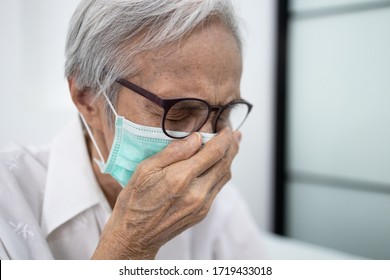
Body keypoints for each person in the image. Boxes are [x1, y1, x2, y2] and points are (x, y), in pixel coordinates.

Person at [0, 0, 263, 259]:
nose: (207, 144)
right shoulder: (10, 198)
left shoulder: (220, 204)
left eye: (225, 114)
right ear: (86, 97)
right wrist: (128, 246)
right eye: (179, 112)